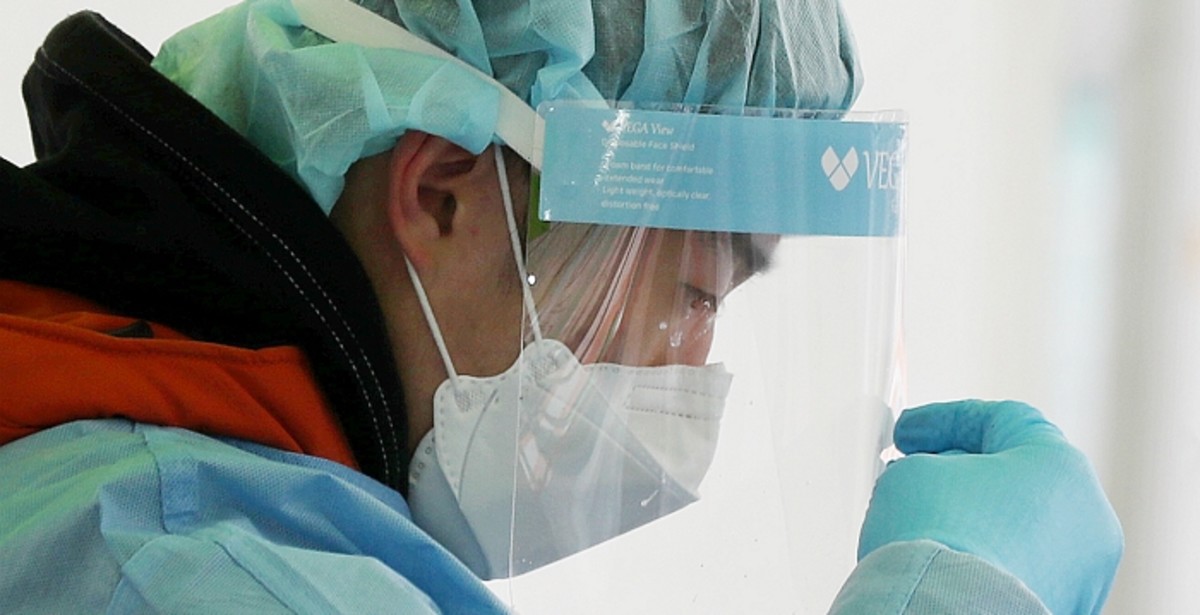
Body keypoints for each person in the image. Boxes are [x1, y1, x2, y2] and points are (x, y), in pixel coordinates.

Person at [0, 0, 1121, 613]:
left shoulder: (164, 470)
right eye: (693, 291)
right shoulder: (189, 571)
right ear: (441, 194)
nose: (696, 371)